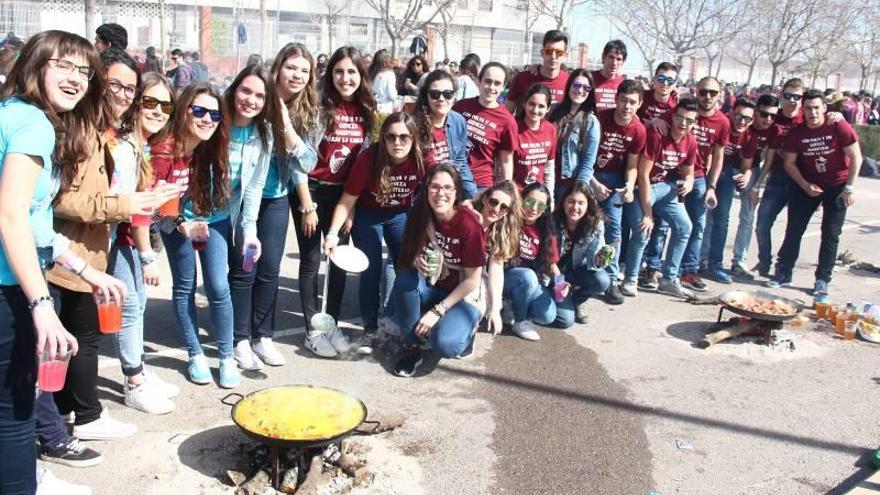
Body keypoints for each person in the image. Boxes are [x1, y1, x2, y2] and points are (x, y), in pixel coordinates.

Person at [0, 29, 128, 494]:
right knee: (14, 414)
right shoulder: (32, 123)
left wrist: (86, 269)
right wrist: (41, 305)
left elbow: (35, 223)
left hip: (20, 282)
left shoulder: (20, 116)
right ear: (34, 66)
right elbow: (11, 213)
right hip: (10, 289)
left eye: (82, 70)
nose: (75, 78)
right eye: (62, 65)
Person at [232, 43, 319, 370]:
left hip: (277, 196)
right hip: (240, 196)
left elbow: (307, 163)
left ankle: (262, 336)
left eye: (304, 71)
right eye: (291, 67)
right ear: (278, 66)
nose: (297, 75)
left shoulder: (301, 109)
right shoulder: (256, 95)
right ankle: (240, 339)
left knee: (269, 270)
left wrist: (286, 126)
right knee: (245, 269)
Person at [104, 71, 182, 417]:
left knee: (139, 304)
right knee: (131, 307)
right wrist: (148, 254)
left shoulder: (143, 144)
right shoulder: (124, 146)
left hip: (128, 239)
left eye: (166, 105)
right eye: (150, 102)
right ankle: (134, 382)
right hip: (115, 240)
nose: (158, 110)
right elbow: (126, 205)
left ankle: (139, 372)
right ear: (136, 104)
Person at [152, 83, 237, 387]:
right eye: (199, 111)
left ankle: (227, 355)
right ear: (184, 109)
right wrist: (177, 224)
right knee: (185, 286)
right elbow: (150, 205)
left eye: (214, 114)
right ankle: (195, 353)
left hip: (213, 220)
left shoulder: (212, 144)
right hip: (176, 225)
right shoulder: (164, 150)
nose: (207, 119)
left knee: (218, 285)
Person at [293, 46, 375, 358]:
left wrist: (351, 208)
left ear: (361, 75)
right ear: (331, 75)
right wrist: (307, 205)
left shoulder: (366, 112)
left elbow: (361, 166)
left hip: (344, 195)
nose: (345, 78)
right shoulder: (318, 108)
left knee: (339, 260)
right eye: (339, 71)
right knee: (312, 259)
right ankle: (312, 330)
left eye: (352, 72)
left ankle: (331, 324)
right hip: (312, 190)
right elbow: (299, 160)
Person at [323, 112, 425, 351]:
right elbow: (347, 200)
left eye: (404, 137)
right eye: (390, 137)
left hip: (400, 214)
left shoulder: (422, 159)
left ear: (413, 139)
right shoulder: (369, 158)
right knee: (370, 269)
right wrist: (331, 234)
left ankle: (392, 319)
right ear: (383, 138)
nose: (397, 143)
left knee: (406, 265)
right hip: (369, 214)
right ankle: (370, 327)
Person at [389, 164, 486, 377]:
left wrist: (437, 312)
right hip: (432, 285)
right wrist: (416, 260)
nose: (440, 193)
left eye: (447, 188)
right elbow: (409, 253)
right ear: (426, 189)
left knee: (445, 345)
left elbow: (472, 280)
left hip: (461, 295)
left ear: (456, 192)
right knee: (405, 279)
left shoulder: (469, 224)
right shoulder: (420, 214)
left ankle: (466, 328)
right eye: (434, 187)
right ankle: (411, 347)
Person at [767, 89, 861, 302]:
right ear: (803, 110)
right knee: (794, 228)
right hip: (808, 183)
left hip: (837, 185)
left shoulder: (837, 125)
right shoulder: (797, 132)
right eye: (808, 108)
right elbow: (789, 163)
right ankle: (784, 271)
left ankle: (822, 280)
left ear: (824, 109)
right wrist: (805, 185)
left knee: (830, 233)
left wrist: (849, 188)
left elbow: (856, 157)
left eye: (816, 107)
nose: (812, 112)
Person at [217, 65, 282, 373]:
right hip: (204, 212)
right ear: (234, 88)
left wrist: (250, 230)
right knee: (212, 283)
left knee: (246, 270)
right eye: (246, 91)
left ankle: (241, 340)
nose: (251, 100)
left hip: (238, 208)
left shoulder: (263, 133)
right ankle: (209, 345)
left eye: (260, 96)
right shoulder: (215, 119)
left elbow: (254, 186)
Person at [643, 76, 729, 292]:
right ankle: (653, 268)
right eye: (703, 92)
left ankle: (687, 272)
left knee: (695, 226)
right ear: (696, 91)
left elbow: (718, 156)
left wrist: (712, 186)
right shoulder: (678, 109)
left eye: (712, 93)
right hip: (670, 174)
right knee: (661, 224)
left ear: (720, 95)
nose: (707, 96)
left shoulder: (722, 122)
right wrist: (655, 121)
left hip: (698, 176)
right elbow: (657, 123)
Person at [624, 99, 699, 299]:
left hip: (665, 187)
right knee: (643, 228)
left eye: (689, 120)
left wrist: (689, 182)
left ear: (694, 123)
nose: (684, 123)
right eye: (680, 117)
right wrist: (649, 214)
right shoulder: (658, 135)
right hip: (643, 186)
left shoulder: (690, 140)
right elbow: (643, 174)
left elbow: (689, 172)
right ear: (673, 117)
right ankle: (630, 278)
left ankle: (668, 279)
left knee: (685, 227)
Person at [590, 79, 647, 301]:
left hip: (615, 179)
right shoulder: (600, 119)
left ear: (640, 104)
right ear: (616, 99)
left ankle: (611, 278)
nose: (627, 106)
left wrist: (629, 186)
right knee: (585, 225)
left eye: (633, 102)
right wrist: (592, 182)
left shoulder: (638, 130)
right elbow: (584, 155)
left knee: (615, 229)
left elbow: (632, 165)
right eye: (623, 100)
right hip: (590, 174)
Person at [752, 78, 804, 278]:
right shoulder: (775, 117)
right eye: (788, 96)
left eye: (796, 97)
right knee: (762, 223)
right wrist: (757, 183)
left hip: (800, 180)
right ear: (781, 96)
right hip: (777, 177)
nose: (792, 100)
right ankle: (764, 261)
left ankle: (784, 270)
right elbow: (767, 150)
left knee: (794, 229)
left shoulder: (806, 118)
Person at [701, 97, 756, 284]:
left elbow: (746, 165)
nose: (741, 122)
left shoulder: (749, 137)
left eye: (747, 119)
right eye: (738, 116)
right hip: (703, 169)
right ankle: (693, 261)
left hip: (726, 175)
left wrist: (746, 175)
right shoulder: (720, 123)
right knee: (695, 220)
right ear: (731, 113)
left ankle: (714, 264)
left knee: (721, 219)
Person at [726, 94, 781, 279]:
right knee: (716, 214)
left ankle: (739, 261)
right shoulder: (738, 122)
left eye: (773, 116)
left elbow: (769, 160)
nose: (768, 120)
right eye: (764, 114)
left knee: (748, 216)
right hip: (727, 167)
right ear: (755, 112)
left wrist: (757, 185)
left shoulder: (774, 130)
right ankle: (705, 258)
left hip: (751, 169)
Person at [504, 183, 561, 340]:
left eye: (541, 205)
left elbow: (551, 263)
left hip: (531, 282)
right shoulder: (507, 219)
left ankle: (513, 305)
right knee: (527, 276)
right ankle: (520, 320)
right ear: (521, 200)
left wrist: (561, 284)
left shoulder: (546, 229)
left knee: (547, 316)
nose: (534, 208)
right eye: (530, 202)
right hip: (505, 277)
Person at [552, 181, 612, 325]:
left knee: (602, 280)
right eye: (571, 202)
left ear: (588, 205)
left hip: (575, 272)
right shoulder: (552, 221)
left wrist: (602, 257)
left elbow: (593, 263)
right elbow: (547, 260)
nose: (575, 207)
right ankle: (552, 298)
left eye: (581, 203)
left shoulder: (595, 223)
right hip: (552, 274)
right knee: (565, 321)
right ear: (564, 202)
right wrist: (559, 283)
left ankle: (577, 300)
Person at [452, 62, 518, 190]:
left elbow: (506, 161)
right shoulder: (460, 107)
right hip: (452, 178)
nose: (491, 87)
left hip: (480, 184)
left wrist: (506, 191)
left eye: (497, 83)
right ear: (479, 81)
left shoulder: (507, 121)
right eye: (487, 81)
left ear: (504, 86)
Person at [412, 69, 475, 196]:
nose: (441, 99)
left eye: (447, 94)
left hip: (447, 192)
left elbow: (460, 162)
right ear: (426, 96)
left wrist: (472, 196)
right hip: (420, 194)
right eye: (435, 94)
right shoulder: (412, 125)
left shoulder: (458, 121)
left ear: (454, 97)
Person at [472, 181, 521, 338]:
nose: (496, 209)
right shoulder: (469, 216)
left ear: (507, 211)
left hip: (476, 276)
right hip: (455, 271)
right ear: (485, 198)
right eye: (493, 202)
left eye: (504, 207)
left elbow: (496, 271)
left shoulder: (501, 231)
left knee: (484, 295)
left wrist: (495, 308)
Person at [547, 69, 600, 202]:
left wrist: (578, 192)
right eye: (576, 85)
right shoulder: (552, 111)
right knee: (541, 217)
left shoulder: (591, 122)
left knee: (564, 222)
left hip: (569, 186)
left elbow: (588, 163)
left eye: (586, 87)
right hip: (545, 181)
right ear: (569, 85)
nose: (580, 90)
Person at [506, 30, 570, 111]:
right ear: (542, 53)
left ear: (565, 55)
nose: (553, 56)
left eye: (559, 52)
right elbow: (507, 114)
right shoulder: (523, 78)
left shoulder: (569, 82)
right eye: (549, 51)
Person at [512, 84, 557, 193]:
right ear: (524, 104)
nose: (536, 110)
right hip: (515, 193)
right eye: (532, 104)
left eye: (541, 106)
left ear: (548, 108)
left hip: (538, 195)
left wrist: (549, 198)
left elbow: (549, 168)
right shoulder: (513, 128)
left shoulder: (550, 129)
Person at [591, 40, 627, 111]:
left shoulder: (623, 84)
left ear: (623, 62)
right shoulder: (590, 78)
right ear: (603, 57)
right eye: (611, 57)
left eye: (618, 59)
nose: (614, 63)